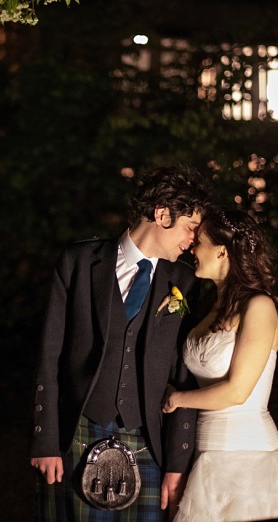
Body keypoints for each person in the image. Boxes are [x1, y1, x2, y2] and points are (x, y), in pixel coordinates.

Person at [30, 164, 217, 521]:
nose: (194, 240)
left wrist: (177, 464)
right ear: (162, 214)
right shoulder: (79, 263)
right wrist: (45, 439)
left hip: (147, 440)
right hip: (77, 433)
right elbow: (49, 356)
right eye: (190, 227)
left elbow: (185, 374)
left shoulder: (185, 280)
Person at [162, 208, 278, 522]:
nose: (191, 248)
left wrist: (177, 399)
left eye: (198, 241)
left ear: (222, 251)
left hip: (248, 458)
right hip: (206, 455)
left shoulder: (259, 306)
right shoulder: (208, 307)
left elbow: (238, 391)